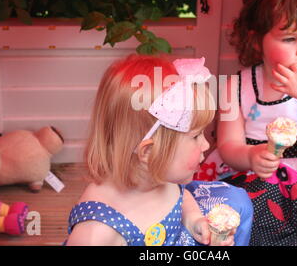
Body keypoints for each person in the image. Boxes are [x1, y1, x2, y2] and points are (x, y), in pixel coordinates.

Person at [65, 54, 253, 246]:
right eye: (196, 136)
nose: (206, 145)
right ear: (148, 152)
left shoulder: (158, 174)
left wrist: (193, 219)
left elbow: (180, 196)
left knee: (236, 201)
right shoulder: (98, 231)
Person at [209, 0, 297, 245]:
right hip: (254, 177)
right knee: (237, 216)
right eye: (290, 39)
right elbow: (228, 145)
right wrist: (251, 155)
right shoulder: (236, 86)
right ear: (256, 41)